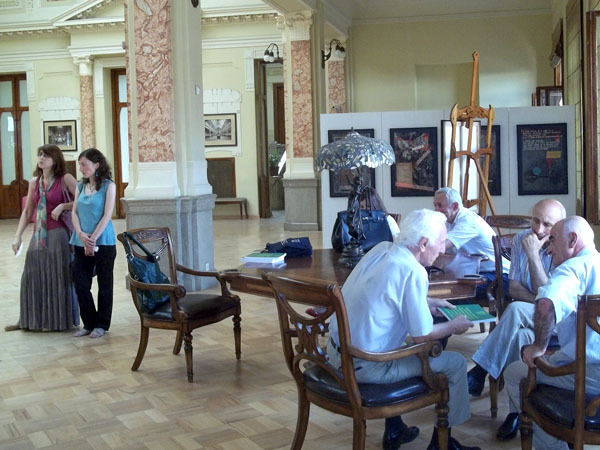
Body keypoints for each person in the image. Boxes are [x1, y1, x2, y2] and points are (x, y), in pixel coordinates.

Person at [327, 209, 479, 450]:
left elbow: (384, 295)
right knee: (455, 363)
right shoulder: (414, 271)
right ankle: (444, 444)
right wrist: (454, 325)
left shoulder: (381, 249)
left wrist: (427, 302)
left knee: (394, 342)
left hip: (335, 355)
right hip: (367, 366)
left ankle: (395, 429)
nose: (442, 250)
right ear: (423, 243)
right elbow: (422, 337)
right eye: (441, 243)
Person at [466, 199, 566, 440]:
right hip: (531, 318)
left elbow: (549, 298)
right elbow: (514, 289)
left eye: (547, 224)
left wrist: (533, 256)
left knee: (515, 311)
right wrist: (539, 302)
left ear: (559, 225)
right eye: (535, 221)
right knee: (519, 333)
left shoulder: (563, 246)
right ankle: (518, 412)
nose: (539, 229)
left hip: (558, 322)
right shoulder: (522, 239)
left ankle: (480, 370)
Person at [504, 216, 600, 450]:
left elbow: (546, 303)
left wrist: (538, 347)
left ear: (573, 240)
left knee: (515, 373)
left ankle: (554, 445)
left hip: (591, 374)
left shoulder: (573, 268)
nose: (548, 249)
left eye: (553, 240)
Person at [6, 144, 79, 332]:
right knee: (31, 274)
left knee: (56, 275)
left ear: (55, 159)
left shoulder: (65, 179)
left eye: (46, 155)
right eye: (40, 154)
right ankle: (31, 319)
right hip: (39, 232)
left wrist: (63, 206)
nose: (41, 158)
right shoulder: (34, 182)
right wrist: (17, 236)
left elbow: (82, 201)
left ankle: (55, 320)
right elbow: (28, 211)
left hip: (59, 232)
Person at [70, 148, 117, 339]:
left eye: (84, 164)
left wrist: (93, 239)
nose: (81, 168)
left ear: (96, 165)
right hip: (80, 241)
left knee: (105, 286)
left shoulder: (109, 186)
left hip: (103, 241)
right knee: (81, 284)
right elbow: (74, 212)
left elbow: (107, 215)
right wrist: (81, 234)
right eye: (80, 164)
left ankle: (101, 324)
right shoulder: (80, 186)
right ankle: (89, 323)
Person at [433, 187, 507, 298]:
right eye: (435, 205)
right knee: (435, 283)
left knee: (451, 290)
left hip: (497, 275)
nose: (436, 210)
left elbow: (441, 247)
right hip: (473, 272)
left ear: (455, 206)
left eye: (440, 205)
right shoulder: (447, 220)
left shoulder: (468, 221)